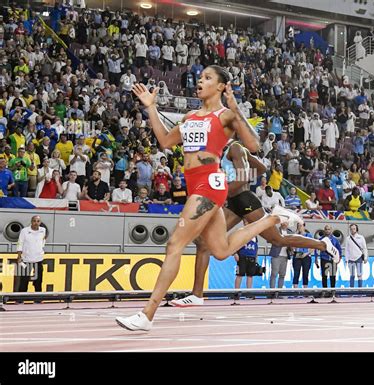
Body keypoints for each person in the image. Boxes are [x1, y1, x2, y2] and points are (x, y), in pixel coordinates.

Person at [116, 65, 302, 331]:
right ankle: (274, 217)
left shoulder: (225, 115)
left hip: (209, 183)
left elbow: (254, 147)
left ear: (220, 86)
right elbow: (166, 143)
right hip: (195, 185)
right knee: (220, 250)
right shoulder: (190, 116)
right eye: (200, 77)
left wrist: (237, 110)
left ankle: (147, 314)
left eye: (207, 78)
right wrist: (151, 108)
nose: (200, 81)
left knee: (174, 244)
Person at [171, 140, 340, 307]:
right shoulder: (234, 149)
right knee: (203, 243)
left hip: (244, 200)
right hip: (234, 202)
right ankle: (197, 294)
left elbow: (243, 179)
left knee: (278, 240)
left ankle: (322, 244)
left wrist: (220, 194)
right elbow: (261, 168)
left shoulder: (235, 148)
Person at [16, 215, 47, 293]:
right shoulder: (24, 231)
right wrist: (19, 256)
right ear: (31, 222)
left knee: (38, 280)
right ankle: (20, 300)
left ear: (40, 222)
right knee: (24, 280)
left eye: (38, 221)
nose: (36, 223)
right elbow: (20, 243)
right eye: (34, 221)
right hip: (26, 259)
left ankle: (38, 299)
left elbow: (43, 241)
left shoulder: (43, 230)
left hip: (38, 260)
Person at [316, 224, 343, 289]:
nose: (327, 231)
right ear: (324, 230)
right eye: (326, 229)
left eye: (329, 229)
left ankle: (332, 291)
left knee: (333, 276)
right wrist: (316, 258)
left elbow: (339, 249)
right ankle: (325, 291)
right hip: (324, 259)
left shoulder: (335, 240)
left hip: (333, 260)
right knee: (324, 276)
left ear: (331, 230)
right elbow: (316, 249)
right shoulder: (321, 240)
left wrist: (339, 258)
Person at [344, 224, 368, 288]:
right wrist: (346, 259)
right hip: (351, 259)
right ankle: (351, 290)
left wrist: (365, 257)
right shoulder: (348, 238)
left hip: (359, 258)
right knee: (352, 275)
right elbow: (346, 249)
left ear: (356, 229)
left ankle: (360, 290)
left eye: (354, 229)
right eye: (351, 229)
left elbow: (364, 248)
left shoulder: (361, 237)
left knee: (359, 274)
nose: (352, 230)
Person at [292, 222, 313, 289]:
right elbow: (292, 245)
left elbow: (313, 247)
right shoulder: (295, 235)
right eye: (298, 226)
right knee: (296, 272)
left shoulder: (308, 235)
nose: (299, 227)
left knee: (305, 273)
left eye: (301, 226)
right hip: (297, 254)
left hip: (306, 255)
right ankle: (295, 289)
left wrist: (306, 253)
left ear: (304, 227)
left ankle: (305, 289)